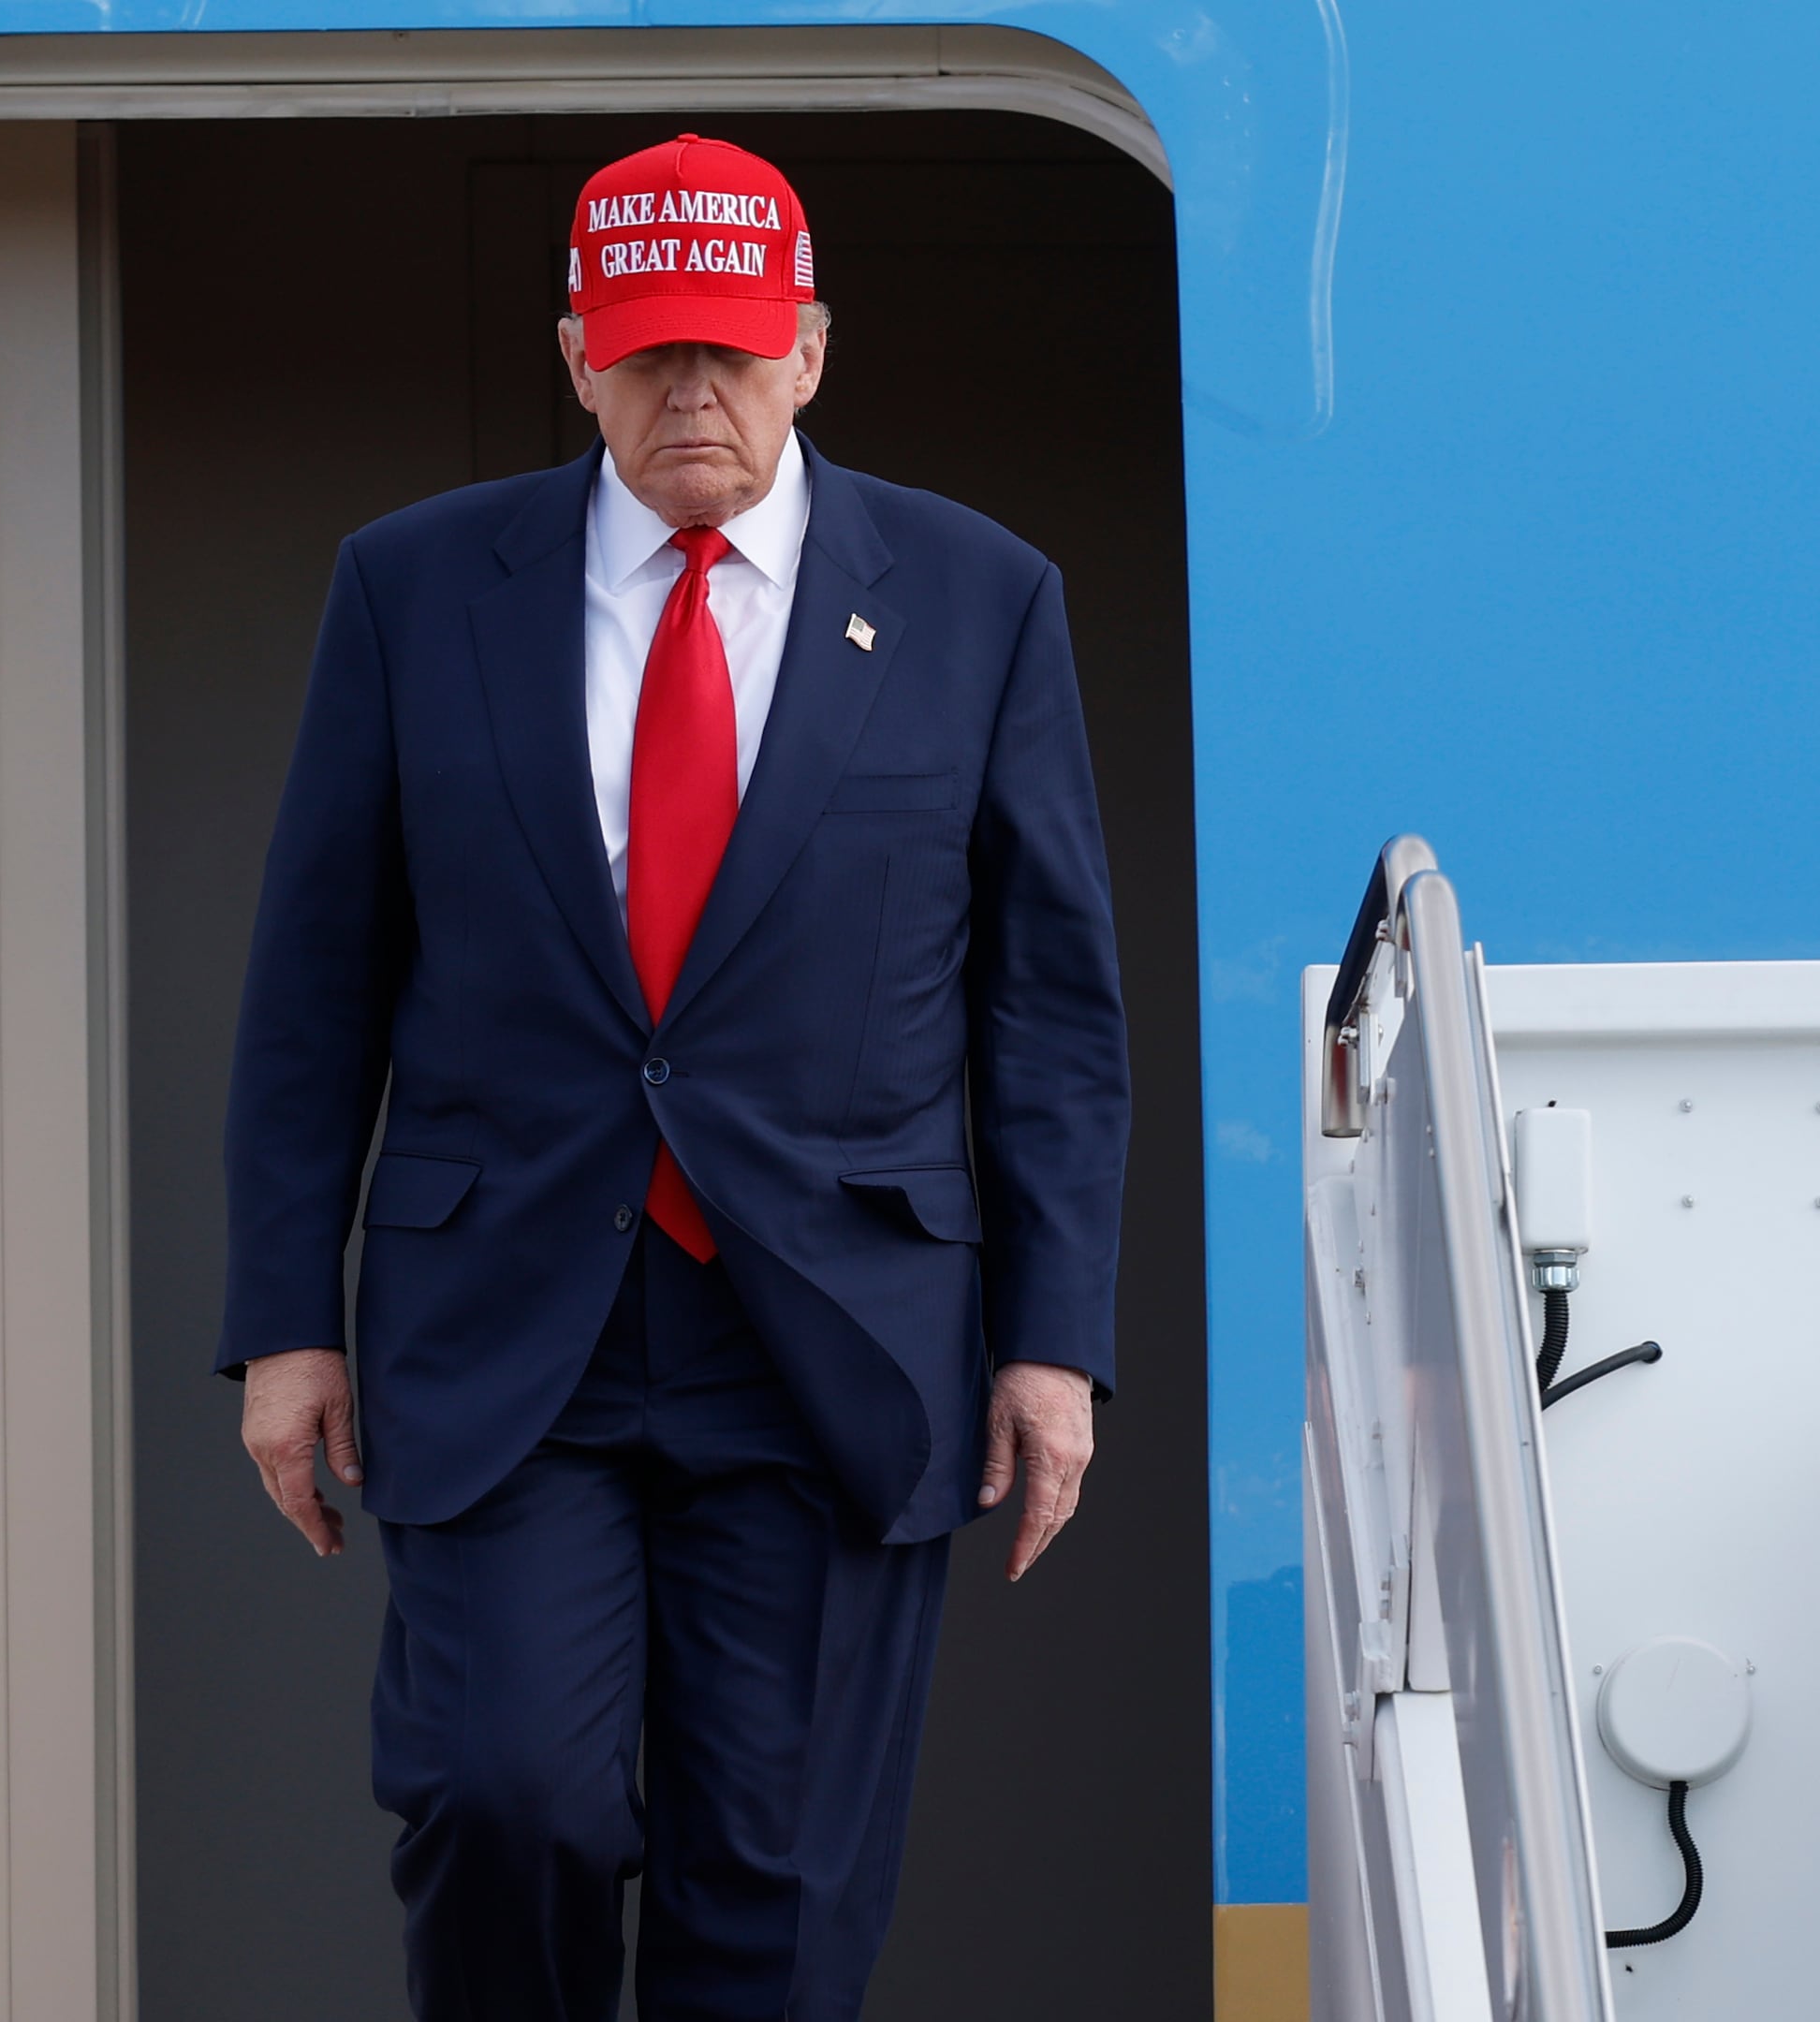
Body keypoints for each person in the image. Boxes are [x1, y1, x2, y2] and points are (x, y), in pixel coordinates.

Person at [218, 132, 1130, 2021]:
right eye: (644, 352)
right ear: (576, 354)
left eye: (727, 347)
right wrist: (283, 1323)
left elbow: (1049, 1011)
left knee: (779, 1882)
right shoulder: (412, 590)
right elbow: (317, 979)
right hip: (503, 1318)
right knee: (505, 1797)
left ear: (809, 347)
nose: (688, 389)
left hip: (838, 1325)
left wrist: (1054, 1341)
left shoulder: (978, 600)